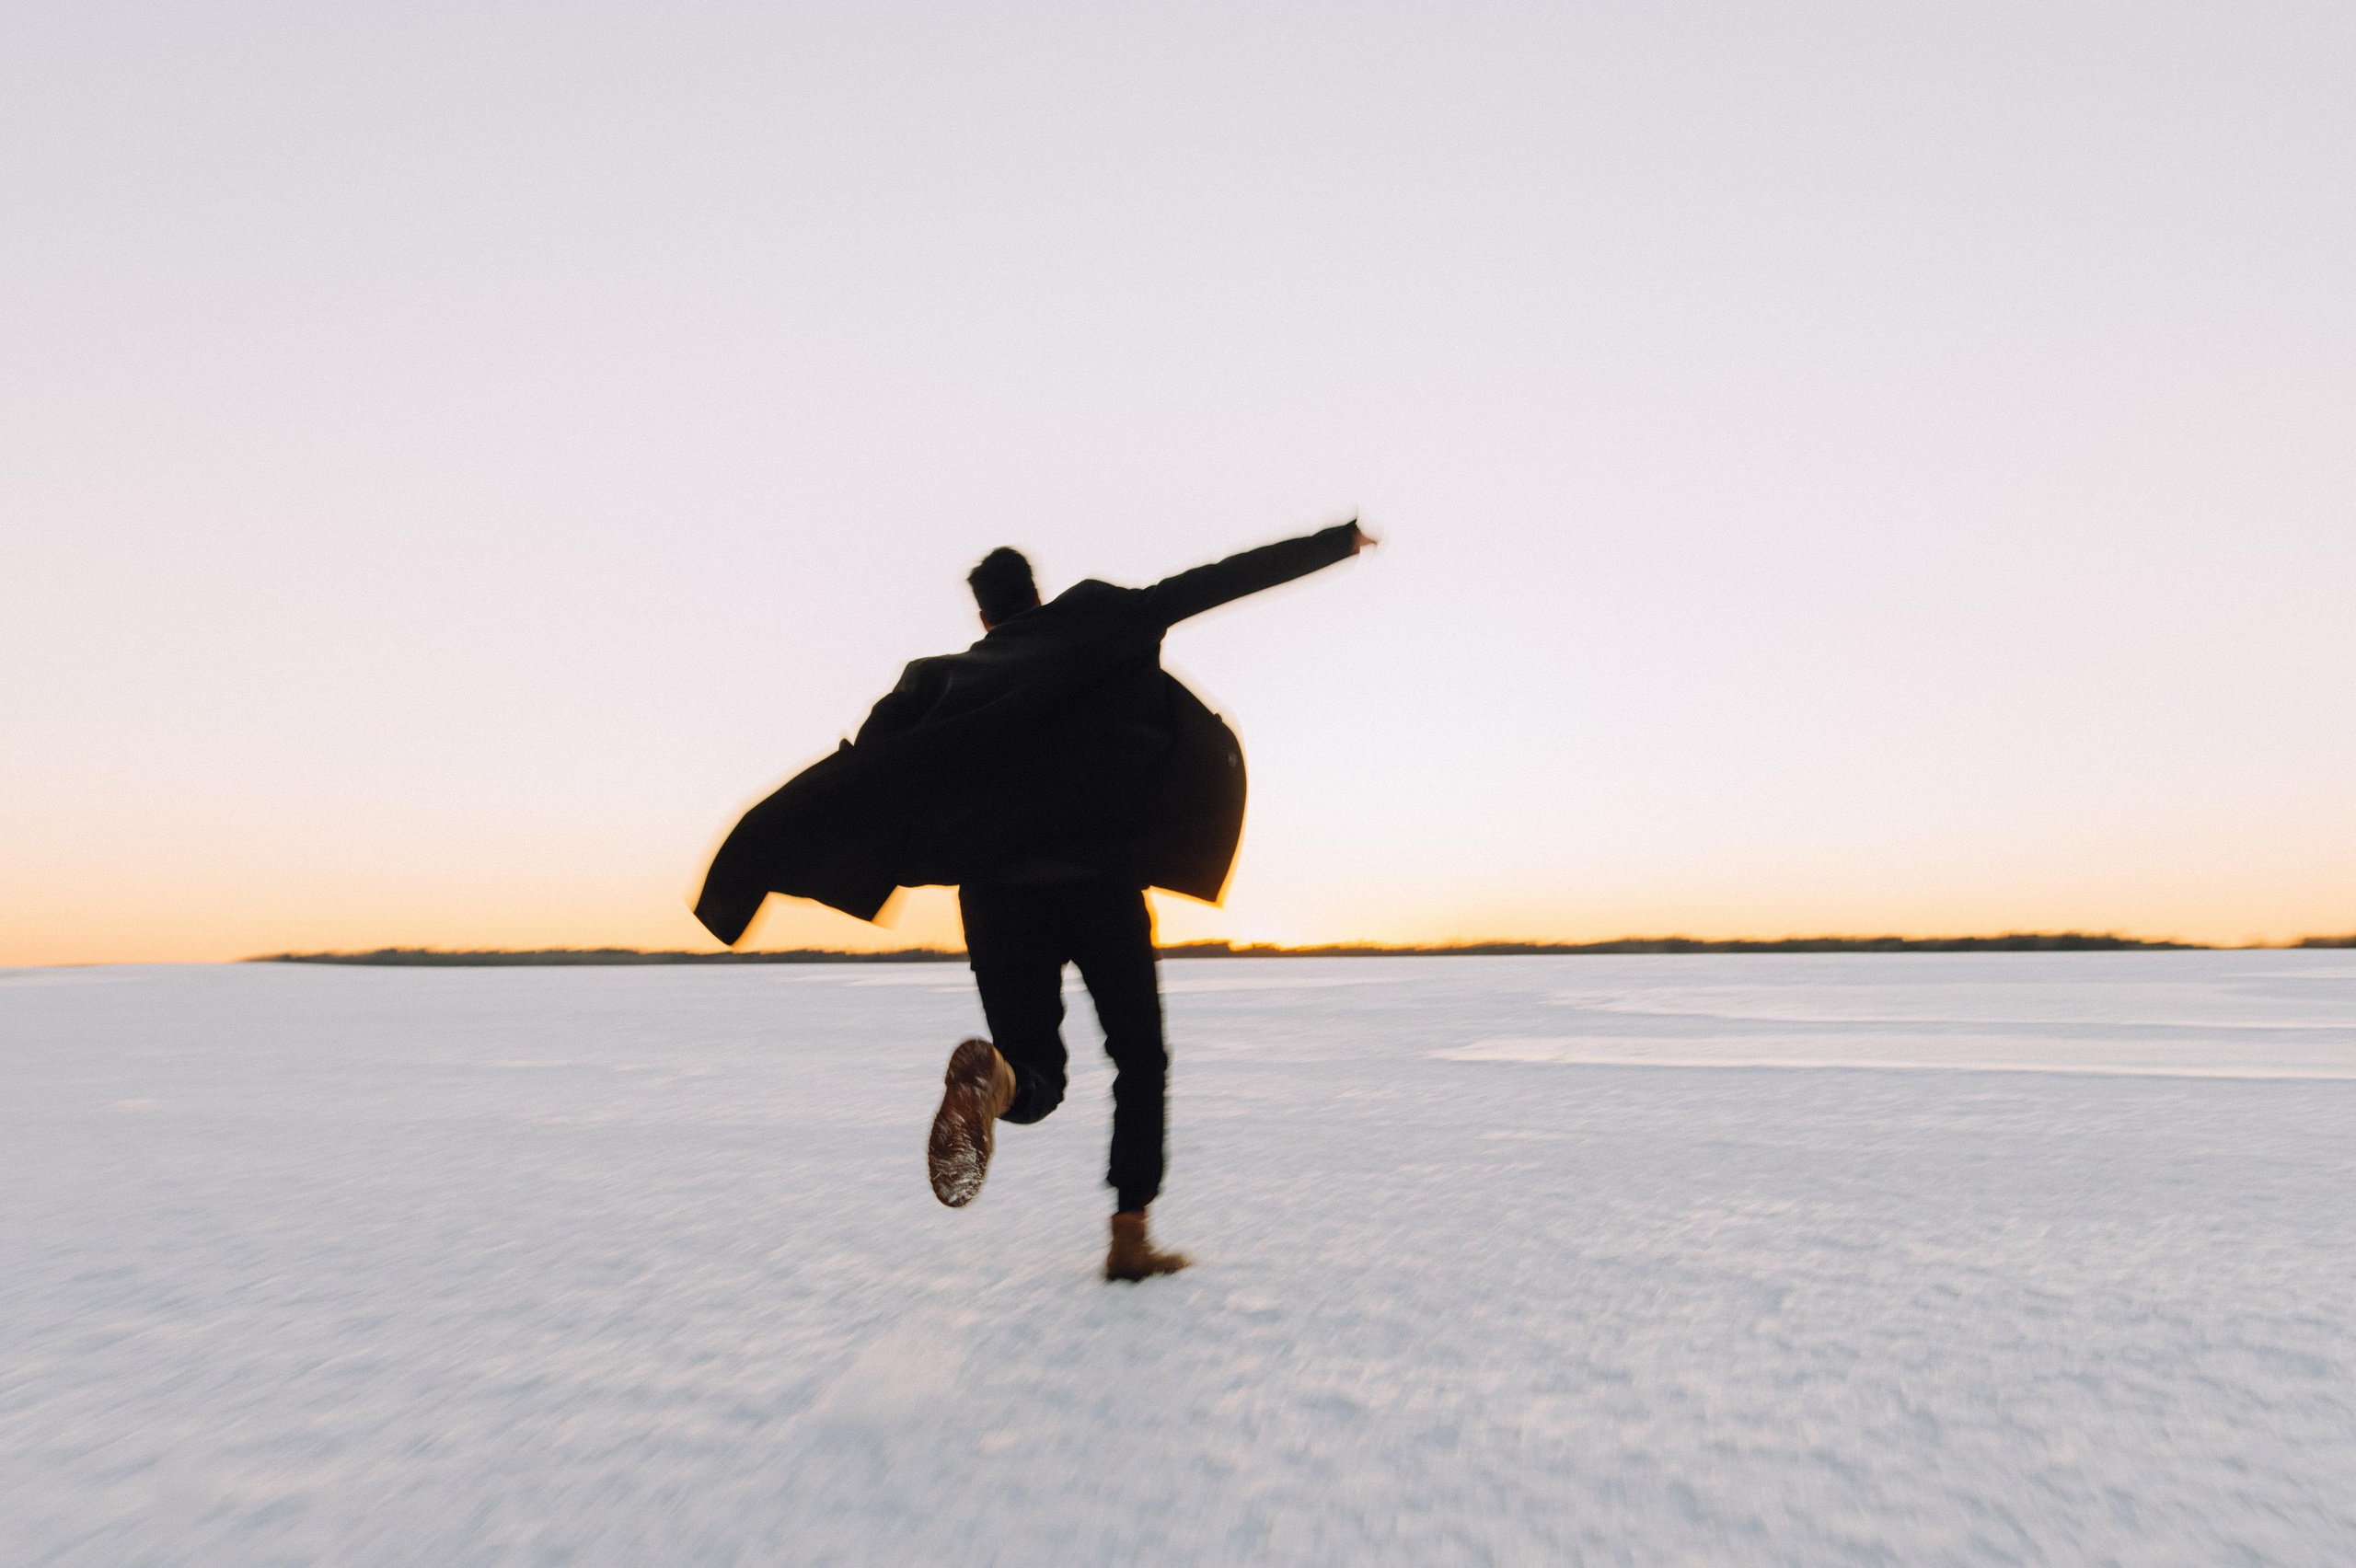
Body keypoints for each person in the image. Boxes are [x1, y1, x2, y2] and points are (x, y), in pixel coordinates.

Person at [693, 519, 1374, 1280]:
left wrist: (774, 850)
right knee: (1139, 1058)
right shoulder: (1103, 621)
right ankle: (1129, 1237)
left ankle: (998, 1079)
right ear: (1036, 595)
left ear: (984, 615)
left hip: (996, 899)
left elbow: (871, 765)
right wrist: (1338, 542)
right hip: (1100, 886)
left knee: (1036, 1069)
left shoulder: (939, 681)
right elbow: (1219, 579)